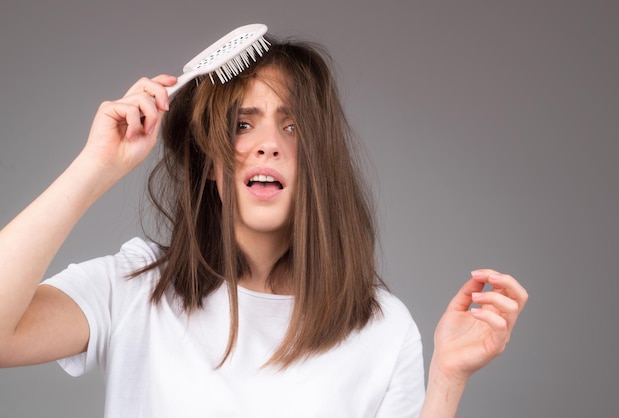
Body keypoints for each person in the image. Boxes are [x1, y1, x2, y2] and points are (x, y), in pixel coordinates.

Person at [0, 36, 527, 417]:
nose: (268, 143)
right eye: (242, 124)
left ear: (318, 159)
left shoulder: (382, 327)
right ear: (209, 159)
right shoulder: (136, 286)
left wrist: (447, 381)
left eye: (292, 125)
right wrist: (96, 166)